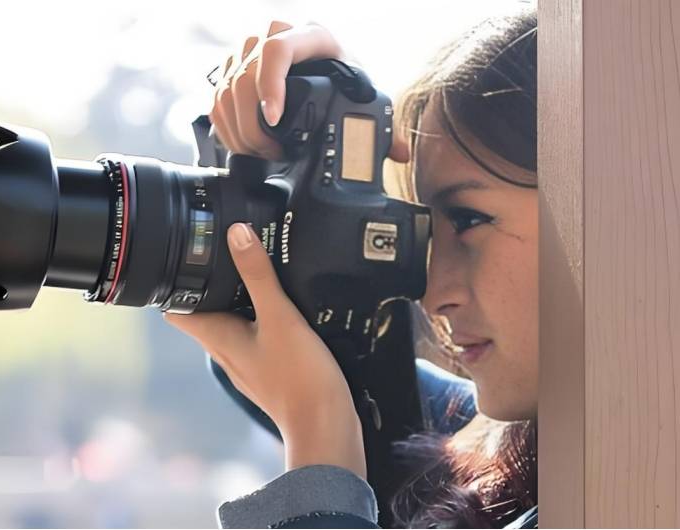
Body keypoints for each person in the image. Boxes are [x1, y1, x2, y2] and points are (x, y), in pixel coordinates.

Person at [164, 5, 538, 528]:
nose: (431, 294)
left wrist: (318, 434)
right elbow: (296, 366)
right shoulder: (490, 449)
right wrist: (319, 131)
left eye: (468, 219)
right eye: (426, 229)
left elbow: (323, 396)